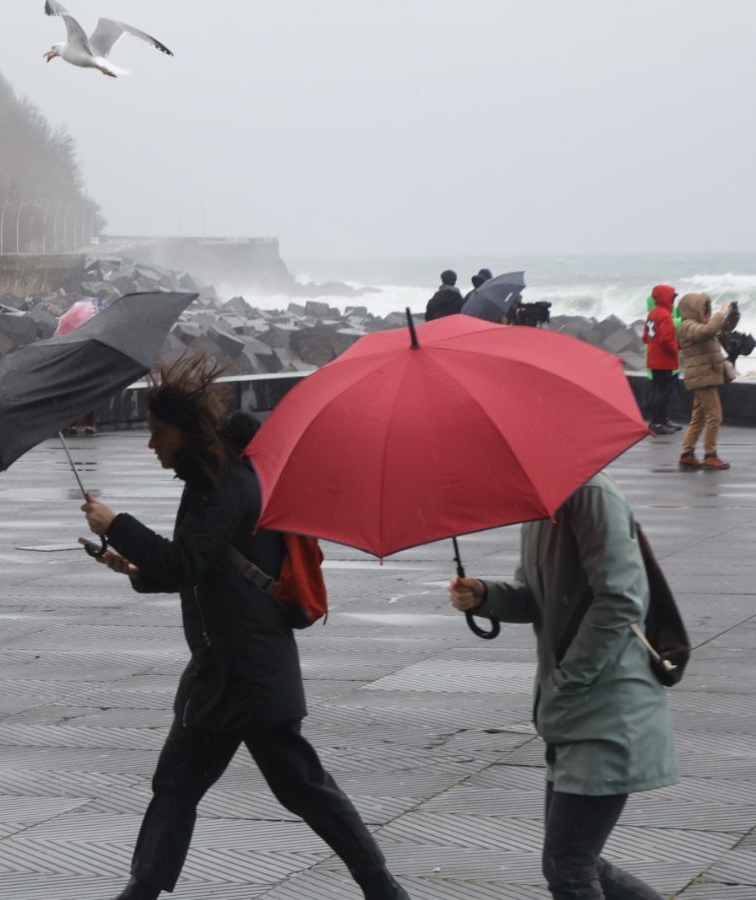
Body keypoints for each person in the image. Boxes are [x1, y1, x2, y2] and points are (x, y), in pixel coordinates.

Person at [81, 355, 409, 900]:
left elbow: (187, 561)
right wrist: (135, 569)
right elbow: (195, 568)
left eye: (157, 433)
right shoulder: (215, 478)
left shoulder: (224, 484)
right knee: (179, 786)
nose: (150, 445)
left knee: (301, 788)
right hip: (224, 671)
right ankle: (139, 893)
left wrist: (118, 525)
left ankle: (384, 889)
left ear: (186, 432)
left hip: (247, 673)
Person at [448, 471, 678, 900]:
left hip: (608, 710)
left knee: (569, 866)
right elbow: (535, 596)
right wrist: (484, 595)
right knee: (576, 860)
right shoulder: (540, 504)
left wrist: (569, 679)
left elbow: (621, 599)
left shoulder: (589, 494)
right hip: (574, 712)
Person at [677, 292, 733, 470]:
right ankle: (710, 455)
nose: (705, 311)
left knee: (699, 417)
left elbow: (716, 329)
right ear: (692, 309)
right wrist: (721, 313)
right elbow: (707, 331)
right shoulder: (687, 326)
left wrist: (729, 316)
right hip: (702, 377)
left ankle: (687, 453)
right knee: (715, 416)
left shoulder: (697, 325)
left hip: (705, 375)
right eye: (702, 308)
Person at [642, 284, 681, 435]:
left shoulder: (652, 314)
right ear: (666, 298)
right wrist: (676, 349)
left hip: (653, 359)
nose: (673, 300)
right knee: (662, 392)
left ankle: (662, 420)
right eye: (672, 297)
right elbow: (666, 339)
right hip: (664, 360)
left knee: (659, 390)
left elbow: (645, 337)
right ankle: (658, 422)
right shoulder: (665, 315)